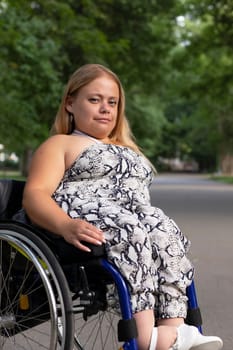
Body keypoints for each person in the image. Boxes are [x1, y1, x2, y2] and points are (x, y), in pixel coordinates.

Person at [22, 63, 223, 350]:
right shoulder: (61, 144)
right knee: (131, 230)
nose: (105, 108)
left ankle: (175, 329)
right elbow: (35, 195)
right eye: (94, 100)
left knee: (164, 229)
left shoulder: (127, 148)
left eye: (112, 102)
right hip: (88, 213)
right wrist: (65, 225)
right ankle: (145, 336)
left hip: (133, 215)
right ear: (70, 103)